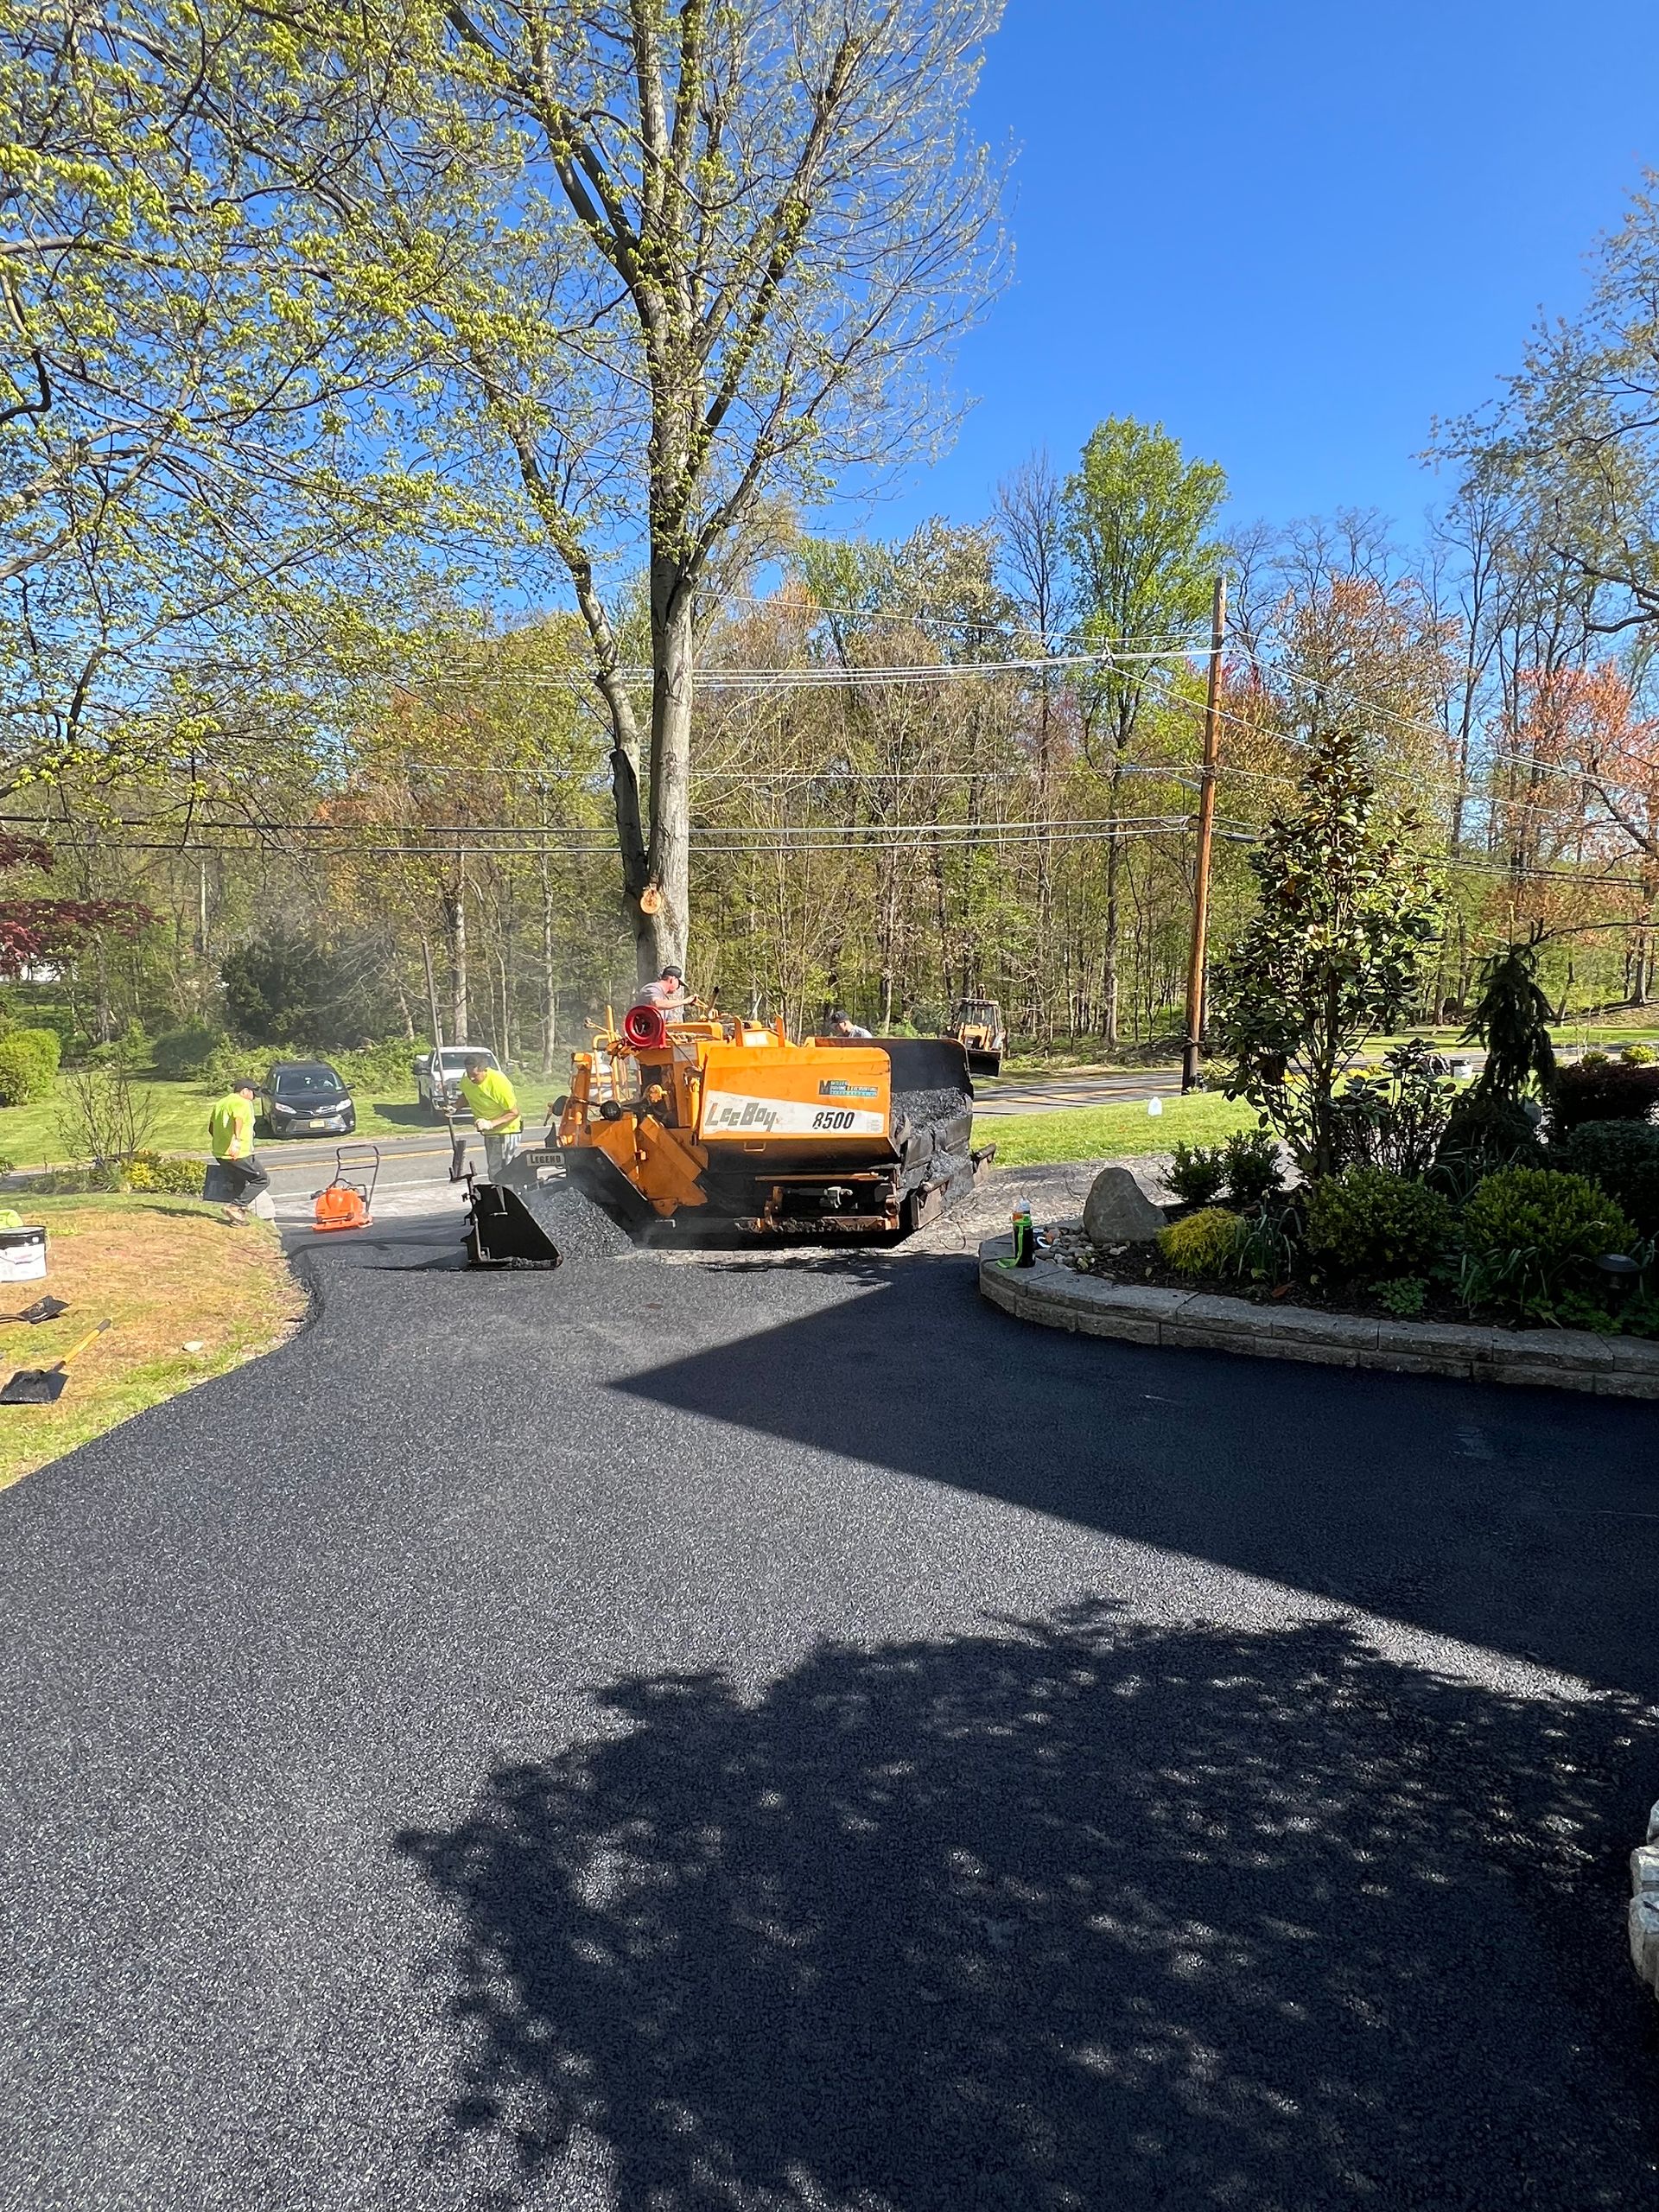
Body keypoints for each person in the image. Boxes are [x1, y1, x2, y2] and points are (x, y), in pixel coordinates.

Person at [207, 1078, 270, 1225]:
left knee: (239, 1182)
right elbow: (238, 1119)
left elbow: (211, 1128)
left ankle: (236, 1217)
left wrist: (222, 1141)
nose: (254, 1097)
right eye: (253, 1093)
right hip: (239, 1153)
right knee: (261, 1179)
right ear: (244, 1091)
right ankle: (235, 1207)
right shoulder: (241, 1102)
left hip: (220, 1153)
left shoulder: (221, 1103)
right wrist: (236, 1141)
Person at [458, 1055, 523, 1181]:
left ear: (484, 1070)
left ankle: (506, 1195)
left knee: (500, 1171)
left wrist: (490, 1124)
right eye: (468, 1073)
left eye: (475, 1074)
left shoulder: (498, 1082)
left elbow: (514, 1112)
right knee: (494, 1168)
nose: (471, 1077)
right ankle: (499, 1193)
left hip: (507, 1131)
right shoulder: (467, 1080)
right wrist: (455, 1106)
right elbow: (466, 1094)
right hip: (490, 1133)